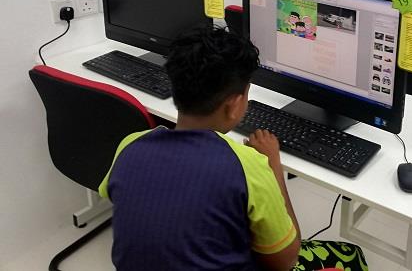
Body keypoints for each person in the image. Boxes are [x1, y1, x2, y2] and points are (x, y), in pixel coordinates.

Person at [99, 26, 368, 270]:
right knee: (350, 256)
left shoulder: (130, 145)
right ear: (235, 105)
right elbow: (286, 261)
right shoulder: (247, 166)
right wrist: (273, 167)